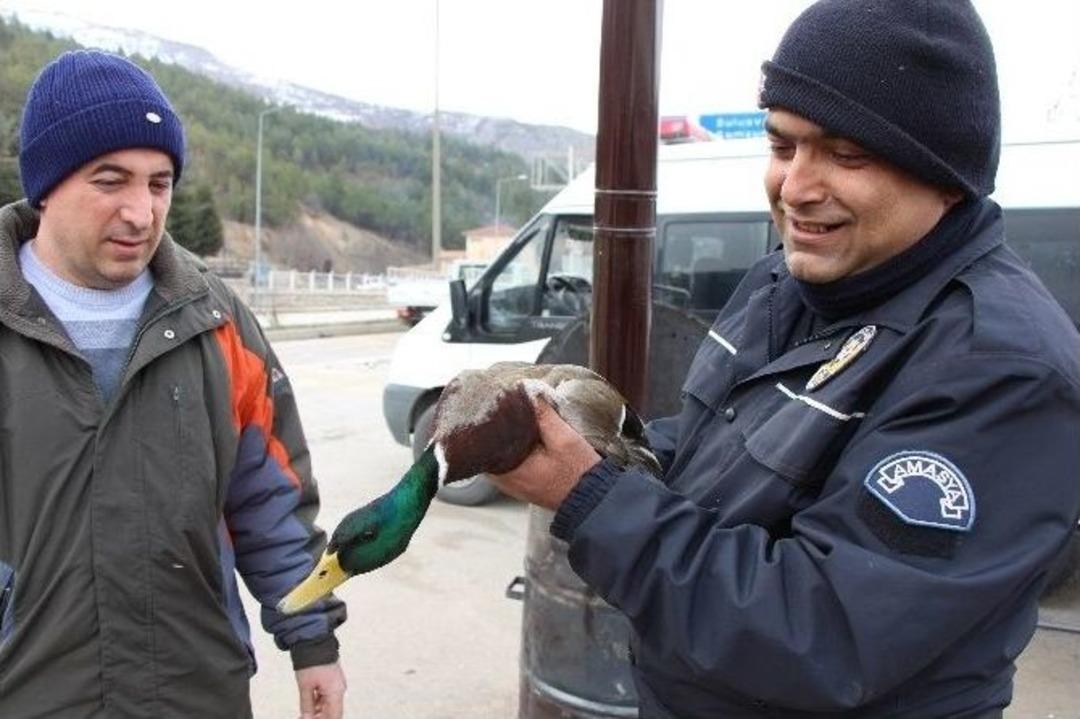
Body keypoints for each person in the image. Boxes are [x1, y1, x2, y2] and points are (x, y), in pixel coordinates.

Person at [490, 2, 1080, 717]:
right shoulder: (790, 280)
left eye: (845, 154)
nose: (795, 187)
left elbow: (823, 633)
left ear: (946, 174)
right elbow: (725, 445)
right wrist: (613, 446)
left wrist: (594, 498)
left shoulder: (1001, 366)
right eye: (782, 145)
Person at [0, 50, 346, 718]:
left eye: (159, 184)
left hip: (195, 692)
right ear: (47, 184)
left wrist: (314, 642)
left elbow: (271, 503)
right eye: (111, 180)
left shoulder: (216, 321)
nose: (141, 211)